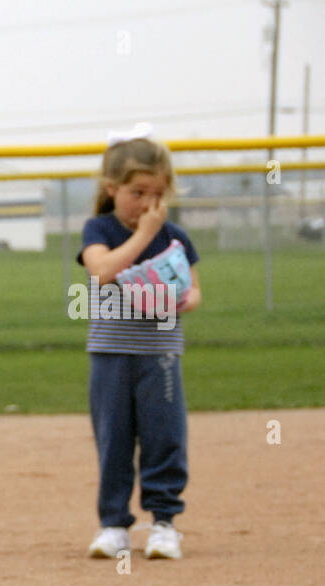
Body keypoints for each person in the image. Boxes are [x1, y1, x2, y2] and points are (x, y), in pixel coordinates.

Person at [78, 128, 202, 561]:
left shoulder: (175, 236)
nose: (148, 204)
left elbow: (195, 292)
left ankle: (164, 523)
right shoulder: (100, 229)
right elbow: (103, 272)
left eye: (157, 193)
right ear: (111, 189)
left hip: (160, 356)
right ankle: (113, 525)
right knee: (114, 440)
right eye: (136, 192)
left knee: (164, 437)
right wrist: (143, 235)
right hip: (111, 354)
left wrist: (179, 296)